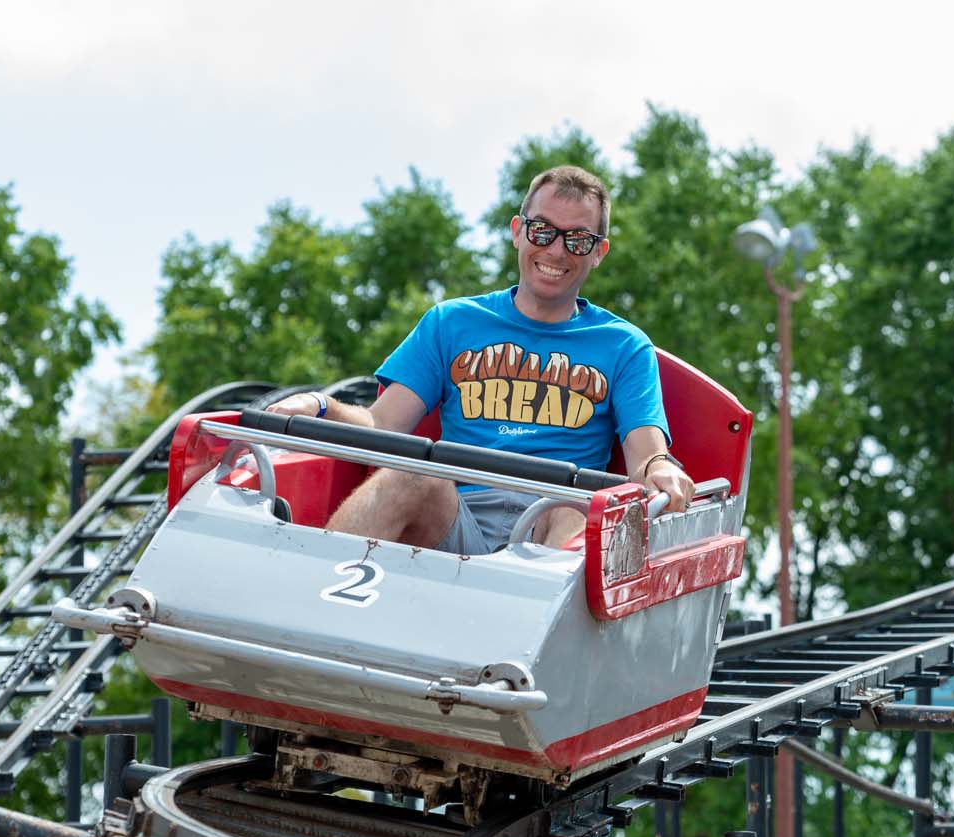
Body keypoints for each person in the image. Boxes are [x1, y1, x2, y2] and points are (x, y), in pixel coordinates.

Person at [267, 164, 694, 553]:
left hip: (553, 529)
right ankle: (314, 588)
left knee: (574, 509)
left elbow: (646, 456)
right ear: (517, 232)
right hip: (456, 522)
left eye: (578, 240)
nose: (556, 251)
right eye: (542, 231)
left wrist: (660, 469)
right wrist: (321, 406)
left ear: (599, 252)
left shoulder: (624, 345)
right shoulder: (451, 323)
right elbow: (382, 426)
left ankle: (534, 611)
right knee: (413, 472)